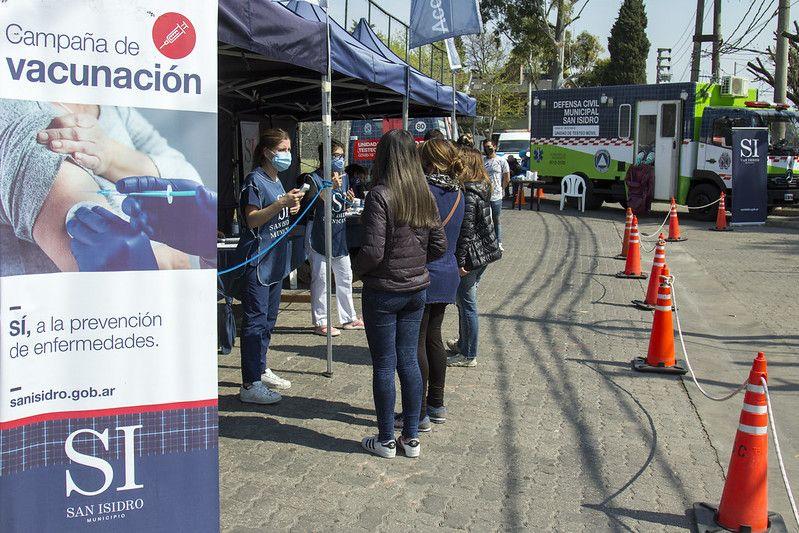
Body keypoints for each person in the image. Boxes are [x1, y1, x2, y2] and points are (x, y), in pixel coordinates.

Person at [0, 99, 204, 276]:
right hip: (67, 311)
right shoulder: (37, 126)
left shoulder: (113, 109)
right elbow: (112, 263)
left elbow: (191, 183)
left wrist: (111, 156)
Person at [354, 129, 447, 459]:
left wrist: (355, 270)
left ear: (383, 156)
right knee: (408, 360)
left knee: (384, 364)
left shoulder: (379, 195)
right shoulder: (424, 194)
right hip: (416, 289)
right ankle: (411, 438)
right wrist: (416, 264)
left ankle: (385, 440)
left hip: (383, 290)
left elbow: (373, 252)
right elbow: (440, 245)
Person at [235, 129, 305, 404]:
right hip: (257, 261)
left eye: (289, 149)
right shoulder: (255, 180)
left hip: (275, 262)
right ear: (266, 152)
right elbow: (252, 219)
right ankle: (249, 384)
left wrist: (290, 207)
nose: (287, 155)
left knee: (268, 321)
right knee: (254, 321)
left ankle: (260, 369)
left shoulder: (276, 180)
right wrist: (280, 204)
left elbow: (276, 212)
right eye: (282, 150)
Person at [404, 138, 465, 430]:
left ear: (425, 161)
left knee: (417, 341)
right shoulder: (458, 192)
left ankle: (418, 412)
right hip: (448, 271)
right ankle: (437, 404)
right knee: (434, 338)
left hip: (424, 270)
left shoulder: (422, 191)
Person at [447, 147, 502, 367]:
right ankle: (464, 344)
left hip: (472, 257)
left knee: (467, 304)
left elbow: (466, 232)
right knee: (464, 302)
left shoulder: (469, 193)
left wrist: (461, 263)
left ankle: (468, 354)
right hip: (483, 254)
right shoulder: (480, 187)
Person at [303, 140, 363, 337]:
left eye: (342, 156)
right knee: (321, 279)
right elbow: (310, 203)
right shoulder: (313, 178)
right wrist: (328, 188)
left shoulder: (344, 177)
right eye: (336, 155)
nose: (340, 159)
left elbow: (340, 204)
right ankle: (321, 321)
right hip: (318, 233)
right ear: (325, 157)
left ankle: (349, 318)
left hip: (338, 233)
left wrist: (349, 200)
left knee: (345, 275)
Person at [482, 140, 509, 251]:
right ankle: (487, 242)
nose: (487, 149)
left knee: (496, 219)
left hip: (496, 196)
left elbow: (506, 178)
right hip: (484, 195)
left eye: (489, 146)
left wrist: (501, 189)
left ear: (494, 147)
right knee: (485, 220)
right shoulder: (482, 161)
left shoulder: (501, 161)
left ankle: (498, 242)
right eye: (485, 147)